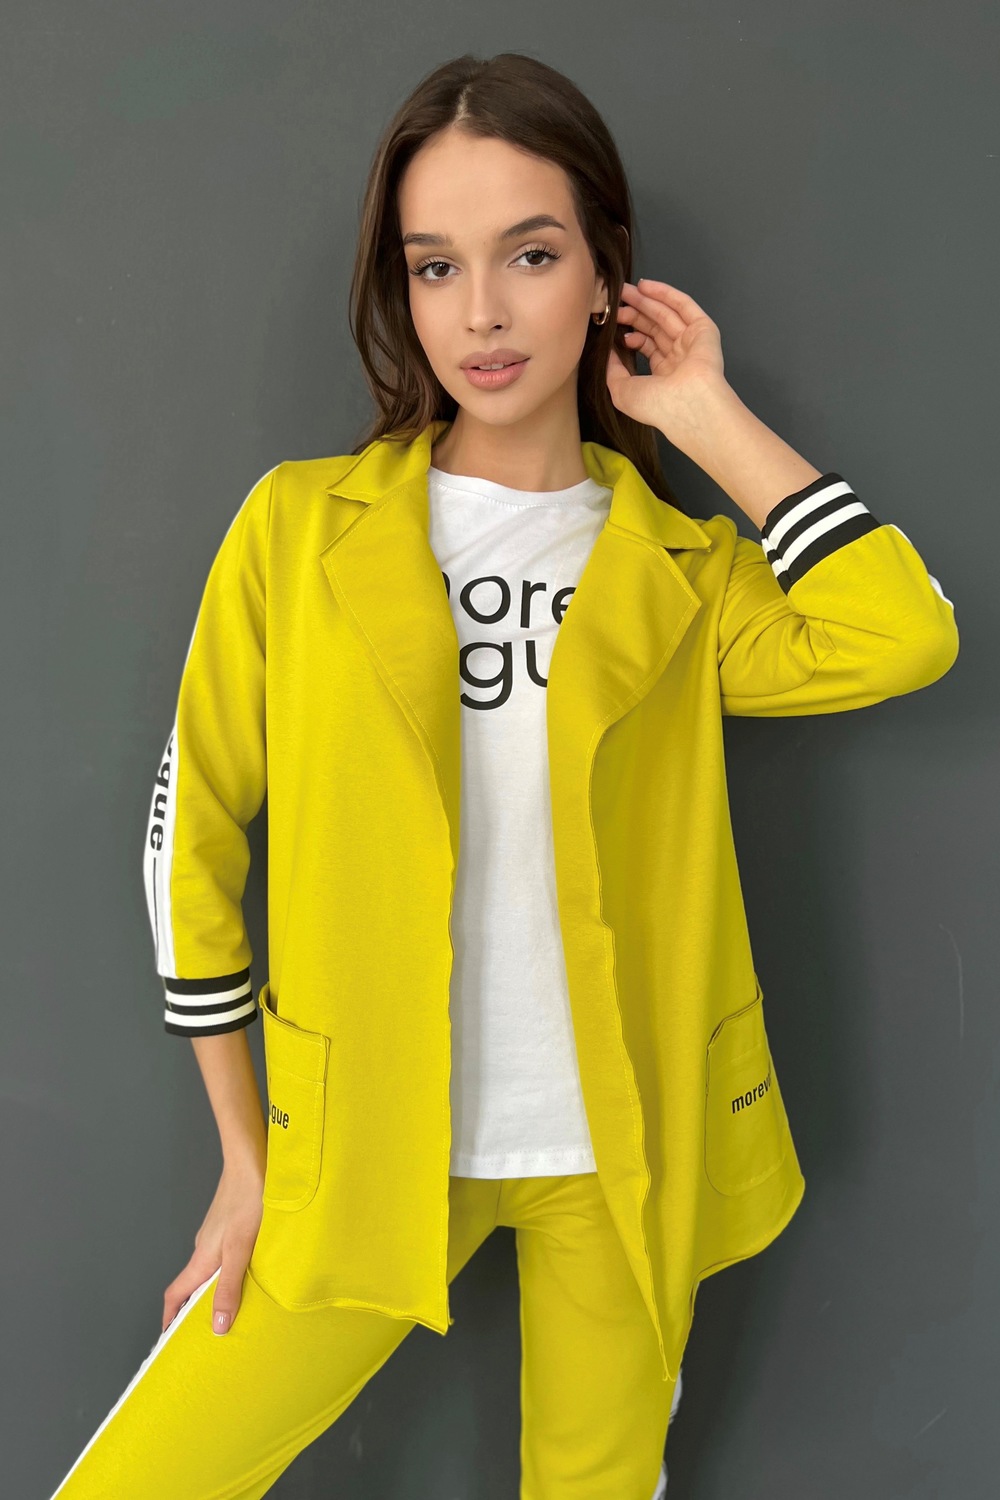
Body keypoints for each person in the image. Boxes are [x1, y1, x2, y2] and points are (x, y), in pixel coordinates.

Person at [47, 50, 958, 1500]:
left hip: (627, 1149)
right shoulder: (300, 534)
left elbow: (900, 633)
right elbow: (189, 836)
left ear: (604, 274)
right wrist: (243, 1150)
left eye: (530, 255)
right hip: (361, 1147)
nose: (480, 311)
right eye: (436, 265)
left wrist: (700, 412)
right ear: (403, 290)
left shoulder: (681, 572)